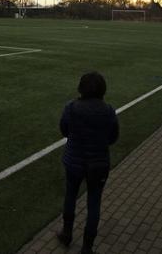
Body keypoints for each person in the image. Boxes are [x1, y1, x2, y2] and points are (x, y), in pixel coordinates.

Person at [57, 72, 119, 254]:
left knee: (70, 196)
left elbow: (64, 130)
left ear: (81, 88)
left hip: (74, 161)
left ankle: (67, 234)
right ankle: (87, 247)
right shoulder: (108, 111)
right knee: (94, 203)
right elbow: (113, 136)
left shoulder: (71, 107)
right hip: (98, 164)